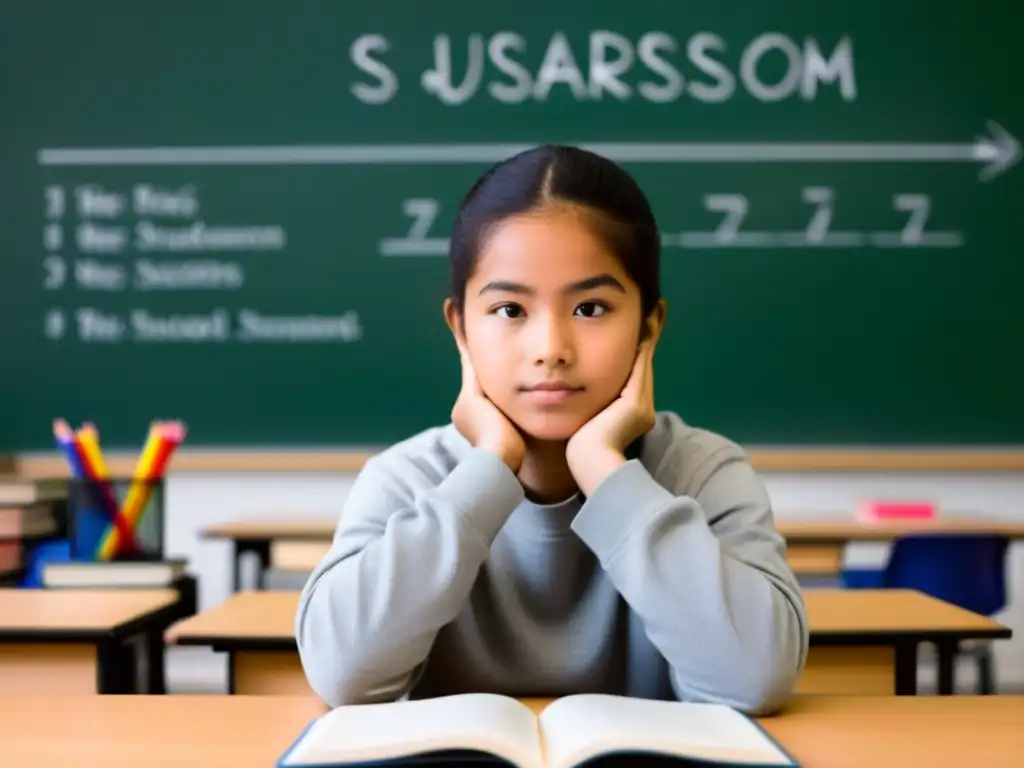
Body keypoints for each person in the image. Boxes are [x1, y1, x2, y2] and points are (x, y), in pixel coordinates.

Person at [295, 144, 808, 715]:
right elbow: (343, 675)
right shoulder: (407, 479)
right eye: (510, 311)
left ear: (648, 328)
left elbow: (754, 680)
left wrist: (606, 474)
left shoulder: (704, 471)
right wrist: (488, 469)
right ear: (461, 329)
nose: (550, 351)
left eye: (590, 308)